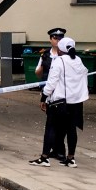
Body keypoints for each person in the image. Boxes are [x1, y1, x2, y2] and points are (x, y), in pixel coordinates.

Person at [30, 36, 89, 167]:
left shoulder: (59, 61)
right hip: (76, 101)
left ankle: (44, 158)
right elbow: (84, 75)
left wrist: (44, 97)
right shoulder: (78, 60)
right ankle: (71, 158)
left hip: (60, 102)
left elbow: (51, 82)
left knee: (51, 127)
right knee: (71, 129)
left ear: (61, 49)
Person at [36, 27, 67, 161]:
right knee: (52, 123)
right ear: (50, 40)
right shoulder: (45, 55)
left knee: (62, 125)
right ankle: (55, 150)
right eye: (55, 38)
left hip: (63, 94)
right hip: (49, 93)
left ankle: (58, 151)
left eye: (60, 38)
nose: (58, 40)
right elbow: (38, 74)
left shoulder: (66, 55)